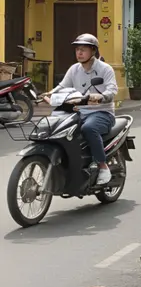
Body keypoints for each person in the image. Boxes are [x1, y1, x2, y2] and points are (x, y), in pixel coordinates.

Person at [45, 34, 118, 185]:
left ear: (93, 51)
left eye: (83, 50)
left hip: (102, 112)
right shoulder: (74, 69)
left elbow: (112, 91)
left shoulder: (105, 69)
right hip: (80, 111)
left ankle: (102, 166)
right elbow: (62, 86)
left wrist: (101, 97)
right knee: (57, 127)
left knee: (89, 128)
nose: (79, 53)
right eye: (77, 49)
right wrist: (50, 93)